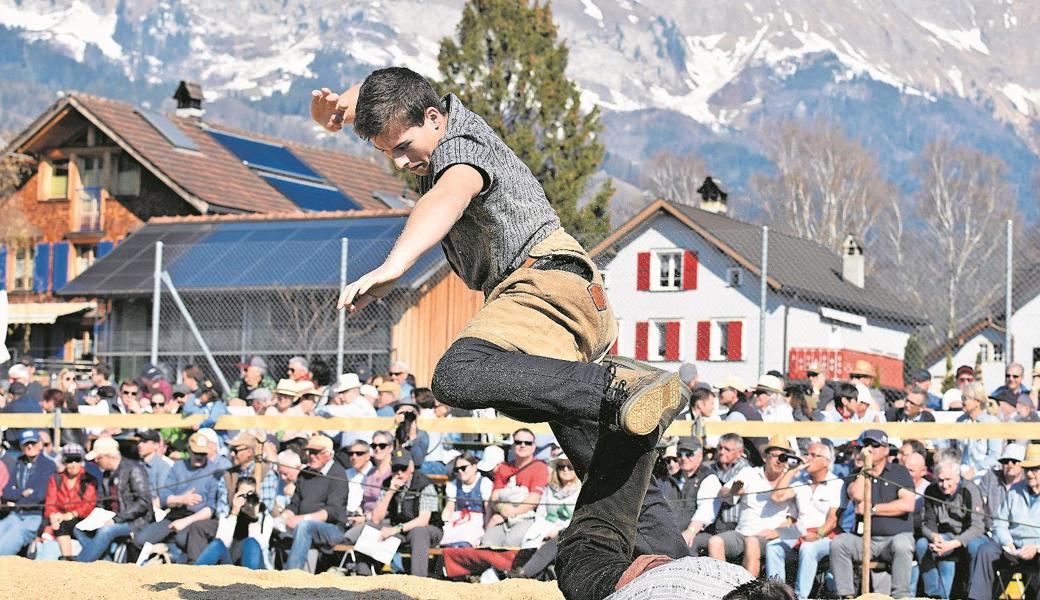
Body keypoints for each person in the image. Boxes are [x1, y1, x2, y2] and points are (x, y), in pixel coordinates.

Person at [313, 66, 693, 559]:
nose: (403, 162)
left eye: (405, 147)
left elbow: (447, 198)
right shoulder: (416, 108)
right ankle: (681, 575)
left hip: (543, 282)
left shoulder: (461, 150)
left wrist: (394, 265)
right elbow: (379, 84)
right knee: (603, 459)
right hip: (568, 297)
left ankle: (622, 386)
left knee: (458, 375)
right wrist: (336, 113)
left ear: (434, 118)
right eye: (389, 153)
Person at [554, 383, 795, 600]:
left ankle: (592, 392)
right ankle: (583, 391)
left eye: (689, 454)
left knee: (628, 497)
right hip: (642, 570)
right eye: (682, 454)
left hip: (648, 568)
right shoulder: (741, 477)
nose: (682, 458)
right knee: (628, 498)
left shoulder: (737, 576)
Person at [830, 429, 916, 599]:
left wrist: (873, 509)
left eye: (875, 445)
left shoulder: (899, 472)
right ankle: (847, 596)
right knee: (840, 543)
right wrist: (865, 470)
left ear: (885, 449)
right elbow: (857, 495)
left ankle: (901, 597)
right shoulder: (856, 474)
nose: (869, 448)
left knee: (903, 543)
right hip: (864, 540)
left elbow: (908, 504)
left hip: (893, 540)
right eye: (866, 444)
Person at [708, 436, 797, 577]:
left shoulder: (793, 481)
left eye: (783, 456)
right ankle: (722, 586)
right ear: (765, 457)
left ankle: (749, 592)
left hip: (771, 537)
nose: (779, 460)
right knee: (715, 541)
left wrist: (777, 532)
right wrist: (733, 491)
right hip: (742, 532)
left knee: (752, 542)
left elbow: (794, 518)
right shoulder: (749, 473)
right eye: (774, 456)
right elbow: (723, 495)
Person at [765, 442, 842, 599]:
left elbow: (833, 519)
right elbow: (776, 496)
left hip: (826, 535)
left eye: (814, 455)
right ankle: (777, 595)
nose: (808, 458)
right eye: (808, 454)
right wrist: (793, 471)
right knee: (772, 547)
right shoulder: (801, 481)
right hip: (800, 532)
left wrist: (819, 534)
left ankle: (800, 597)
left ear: (826, 461)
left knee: (808, 548)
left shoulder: (837, 483)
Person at [969, 443, 1040, 600]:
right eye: (1027, 469)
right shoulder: (1015, 490)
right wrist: (1007, 542)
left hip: (1037, 550)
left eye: (1035, 470)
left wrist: (1036, 547)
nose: (1029, 474)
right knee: (985, 551)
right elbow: (1000, 522)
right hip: (1012, 547)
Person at [915, 457, 986, 599]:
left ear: (957, 477)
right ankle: (934, 594)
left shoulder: (969, 490)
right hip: (944, 536)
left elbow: (978, 527)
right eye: (940, 480)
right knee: (922, 544)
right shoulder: (931, 491)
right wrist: (935, 538)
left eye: (948, 480)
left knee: (974, 547)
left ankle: (973, 594)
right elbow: (927, 523)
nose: (944, 484)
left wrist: (953, 544)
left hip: (968, 536)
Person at [366, 449, 442, 577]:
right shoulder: (387, 483)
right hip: (400, 530)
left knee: (418, 532)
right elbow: (376, 519)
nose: (399, 473)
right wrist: (390, 492)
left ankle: (418, 582)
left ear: (411, 466)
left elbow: (423, 520)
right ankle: (364, 575)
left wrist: (395, 529)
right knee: (372, 528)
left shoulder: (424, 484)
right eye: (396, 468)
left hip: (429, 530)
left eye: (403, 468)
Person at [76, 437, 153, 562]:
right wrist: (96, 517)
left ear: (109, 456)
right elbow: (102, 501)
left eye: (98, 458)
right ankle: (104, 561)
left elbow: (143, 502)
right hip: (113, 518)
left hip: (137, 521)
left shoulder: (134, 470)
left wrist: (116, 519)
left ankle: (81, 562)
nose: (95, 461)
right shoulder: (106, 474)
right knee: (79, 529)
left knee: (106, 530)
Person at [282, 435, 349, 571]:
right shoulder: (304, 473)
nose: (311, 456)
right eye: (310, 452)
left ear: (329, 455)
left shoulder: (338, 474)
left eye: (316, 453)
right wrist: (284, 517)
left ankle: (291, 575)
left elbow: (332, 512)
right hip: (303, 525)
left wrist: (301, 519)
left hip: (332, 529)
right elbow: (294, 504)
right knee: (271, 525)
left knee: (304, 526)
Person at [482, 429, 550, 547]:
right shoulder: (504, 467)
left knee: (511, 544)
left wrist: (510, 512)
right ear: (513, 446)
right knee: (488, 544)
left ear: (533, 447)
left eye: (527, 443)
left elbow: (533, 500)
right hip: (503, 516)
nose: (522, 445)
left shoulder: (540, 467)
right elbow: (493, 497)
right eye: (518, 442)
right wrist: (502, 508)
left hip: (526, 517)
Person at [195, 476, 272, 569]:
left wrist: (253, 516)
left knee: (251, 542)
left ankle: (250, 581)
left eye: (250, 495)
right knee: (217, 543)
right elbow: (223, 542)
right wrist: (234, 512)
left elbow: (259, 545)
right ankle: (194, 575)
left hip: (256, 570)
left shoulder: (264, 517)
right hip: (231, 565)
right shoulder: (228, 513)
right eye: (243, 495)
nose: (246, 499)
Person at [0, 430, 57, 555]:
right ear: (21, 447)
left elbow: (39, 496)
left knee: (5, 548)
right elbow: (6, 492)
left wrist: (16, 499)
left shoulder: (48, 465)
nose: (30, 446)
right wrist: (22, 492)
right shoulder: (19, 463)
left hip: (33, 516)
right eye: (26, 444)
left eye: (33, 443)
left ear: (40, 444)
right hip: (14, 514)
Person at [41, 443, 97, 560]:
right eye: (69, 460)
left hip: (81, 517)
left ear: (81, 460)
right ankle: (66, 557)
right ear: (64, 461)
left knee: (62, 524)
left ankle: (67, 557)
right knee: (50, 527)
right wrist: (53, 515)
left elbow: (88, 505)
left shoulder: (88, 479)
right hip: (59, 517)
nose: (72, 464)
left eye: (76, 460)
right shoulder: (56, 478)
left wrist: (70, 515)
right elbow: (50, 501)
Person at [950, 382, 1001, 481]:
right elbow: (955, 450)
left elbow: (994, 456)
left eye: (965, 399)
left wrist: (974, 470)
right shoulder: (960, 421)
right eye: (962, 398)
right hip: (961, 469)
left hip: (984, 471)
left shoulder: (991, 422)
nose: (962, 402)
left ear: (977, 401)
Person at [441, 452, 492, 548]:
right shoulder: (454, 484)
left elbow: (488, 509)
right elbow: (449, 507)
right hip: (459, 520)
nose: (460, 471)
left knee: (466, 541)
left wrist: (487, 528)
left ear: (474, 467)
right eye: (457, 469)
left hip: (477, 521)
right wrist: (445, 522)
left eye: (463, 468)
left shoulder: (484, 483)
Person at [979, 443, 1025, 529]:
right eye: (1006, 461)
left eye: (1014, 461)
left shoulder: (1027, 484)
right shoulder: (990, 477)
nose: (1010, 465)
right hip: (989, 529)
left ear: (1022, 465)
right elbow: (979, 503)